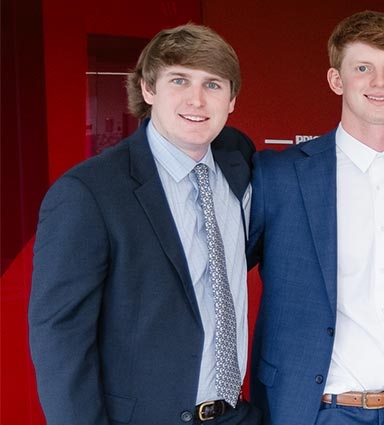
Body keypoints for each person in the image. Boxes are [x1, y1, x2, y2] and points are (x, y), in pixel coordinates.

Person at [28, 24, 265, 425]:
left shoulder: (236, 158)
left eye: (213, 84)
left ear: (232, 99)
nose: (197, 99)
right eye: (179, 80)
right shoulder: (88, 193)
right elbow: (59, 338)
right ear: (147, 90)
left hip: (235, 414)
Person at [247, 11, 384, 424]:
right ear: (336, 80)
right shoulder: (279, 176)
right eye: (363, 67)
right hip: (322, 411)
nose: (379, 82)